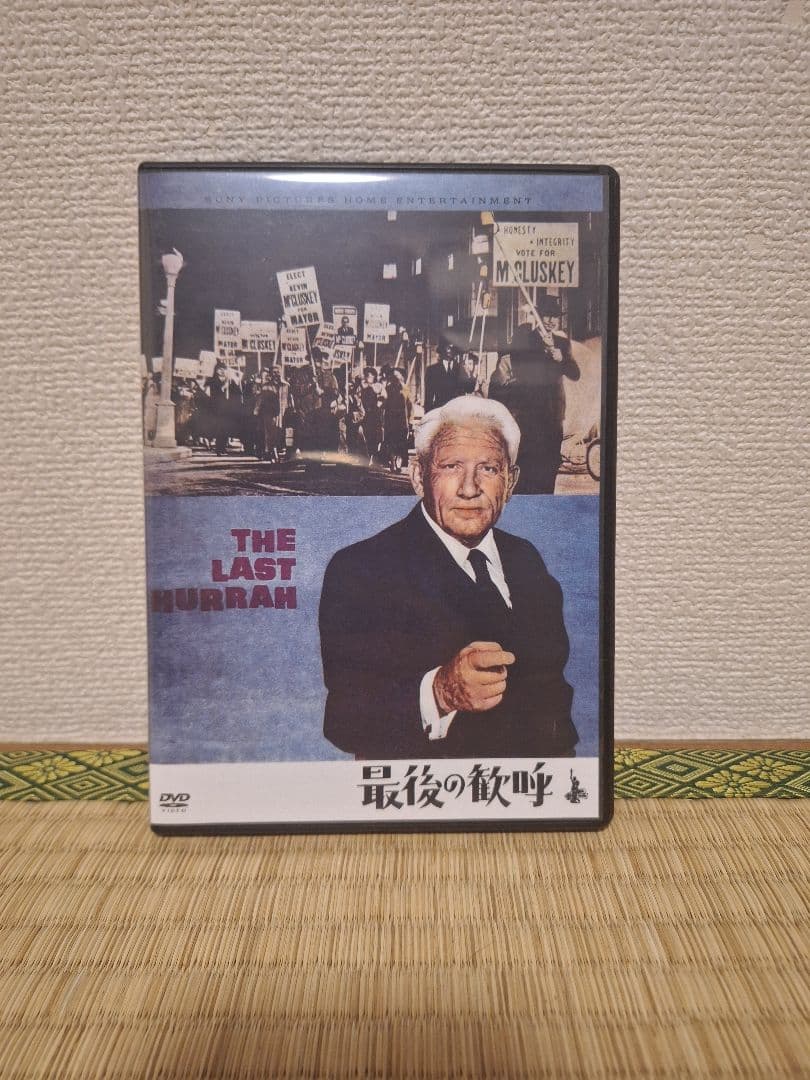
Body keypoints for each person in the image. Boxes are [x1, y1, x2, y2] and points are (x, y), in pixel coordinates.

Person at [319, 396, 577, 759]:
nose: (469, 488)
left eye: (489, 468)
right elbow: (344, 719)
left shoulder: (526, 560)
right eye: (452, 466)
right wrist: (440, 693)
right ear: (419, 477)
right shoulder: (361, 569)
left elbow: (553, 698)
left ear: (511, 482)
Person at [494, 295, 580, 494]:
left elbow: (575, 374)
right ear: (539, 317)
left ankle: (546, 504)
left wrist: (561, 358)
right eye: (547, 316)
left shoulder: (562, 343)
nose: (550, 321)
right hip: (530, 415)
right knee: (528, 466)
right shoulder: (526, 339)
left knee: (551, 465)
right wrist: (542, 350)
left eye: (554, 317)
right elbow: (521, 369)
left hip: (554, 414)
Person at [424, 339, 458, 411]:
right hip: (439, 412)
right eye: (447, 346)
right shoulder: (432, 371)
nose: (450, 349)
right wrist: (428, 415)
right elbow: (428, 399)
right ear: (441, 349)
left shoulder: (460, 369)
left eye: (452, 346)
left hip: (456, 413)